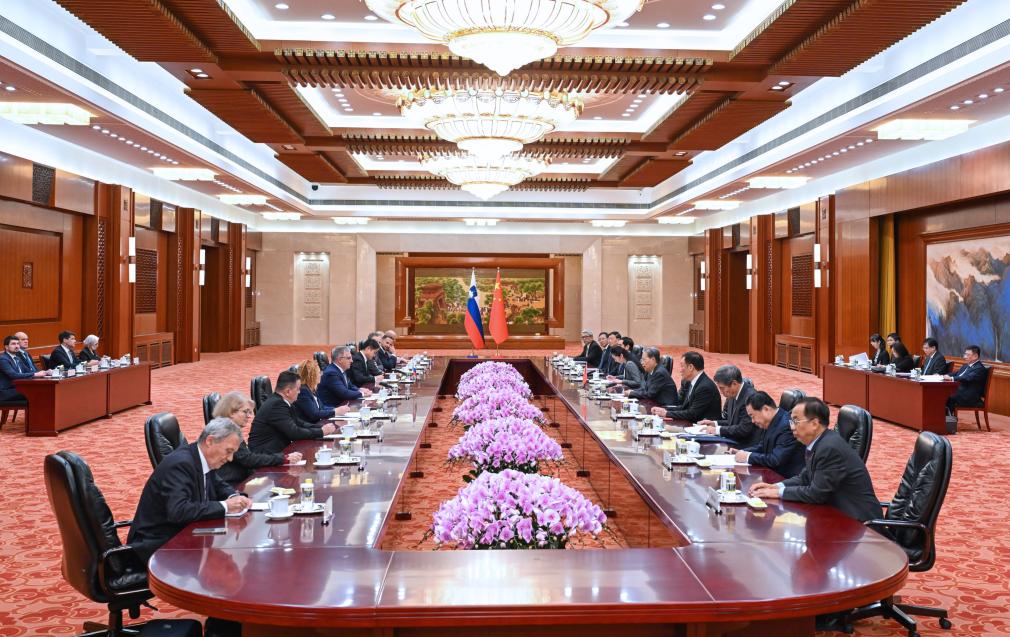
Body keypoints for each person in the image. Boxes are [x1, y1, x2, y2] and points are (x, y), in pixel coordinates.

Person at [128, 418, 252, 561]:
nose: (230, 459)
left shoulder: (202, 458)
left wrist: (233, 496)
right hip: (158, 545)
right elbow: (178, 511)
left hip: (183, 533)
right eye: (228, 451)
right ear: (210, 441)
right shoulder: (180, 464)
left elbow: (218, 484)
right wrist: (225, 506)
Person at [749, 397, 882, 523]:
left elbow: (816, 493)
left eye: (795, 421)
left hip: (859, 524)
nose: (792, 427)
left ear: (814, 424)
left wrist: (778, 493)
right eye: (791, 421)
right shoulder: (818, 443)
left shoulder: (829, 448)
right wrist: (776, 486)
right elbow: (805, 477)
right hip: (837, 516)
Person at [214, 392, 303, 486]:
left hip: (239, 480)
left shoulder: (229, 428)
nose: (249, 416)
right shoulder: (227, 432)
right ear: (232, 412)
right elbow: (247, 459)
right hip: (231, 485)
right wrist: (283, 458)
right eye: (245, 412)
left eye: (250, 412)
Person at [247, 371, 336, 454]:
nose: (299, 392)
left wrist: (321, 427)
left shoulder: (282, 401)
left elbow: (299, 423)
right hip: (265, 455)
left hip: (276, 451)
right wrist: (321, 432)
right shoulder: (277, 405)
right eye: (298, 389)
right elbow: (294, 433)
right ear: (288, 391)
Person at [732, 391, 805, 479]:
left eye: (752, 416)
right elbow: (763, 446)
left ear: (766, 409)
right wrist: (743, 452)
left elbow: (775, 460)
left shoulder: (787, 426)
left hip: (786, 479)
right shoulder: (772, 421)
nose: (752, 421)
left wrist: (748, 456)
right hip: (772, 475)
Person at [697, 365, 762, 448]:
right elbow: (733, 422)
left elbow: (744, 429)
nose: (721, 392)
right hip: (734, 440)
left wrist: (717, 430)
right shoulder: (732, 394)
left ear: (734, 383)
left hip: (745, 446)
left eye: (722, 388)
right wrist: (714, 423)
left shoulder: (750, 398)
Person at [650, 352, 721, 422]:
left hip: (703, 426)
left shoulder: (704, 387)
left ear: (690, 367)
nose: (680, 370)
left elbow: (692, 414)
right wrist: (664, 410)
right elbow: (685, 407)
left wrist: (666, 413)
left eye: (682, 366)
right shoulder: (692, 381)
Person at [294, 359, 348, 423]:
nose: (321, 375)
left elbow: (321, 407)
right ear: (312, 376)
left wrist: (336, 409)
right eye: (319, 372)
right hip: (310, 426)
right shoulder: (303, 391)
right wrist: (335, 412)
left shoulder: (311, 389)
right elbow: (314, 414)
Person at [1, 335, 47, 403]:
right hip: (6, 392)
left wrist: (46, 372)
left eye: (17, 344)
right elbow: (13, 375)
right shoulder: (3, 359)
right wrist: (35, 374)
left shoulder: (17, 358)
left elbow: (28, 371)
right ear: (6, 347)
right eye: (13, 344)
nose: (17, 346)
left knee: (44, 389)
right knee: (37, 392)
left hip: (18, 388)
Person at [944, 345, 988, 417]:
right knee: (942, 394)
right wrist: (943, 376)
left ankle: (947, 420)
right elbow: (956, 374)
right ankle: (942, 419)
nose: (964, 357)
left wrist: (951, 378)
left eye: (967, 355)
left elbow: (967, 378)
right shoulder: (966, 365)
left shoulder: (979, 368)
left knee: (947, 396)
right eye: (965, 354)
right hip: (961, 392)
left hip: (969, 397)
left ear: (975, 356)